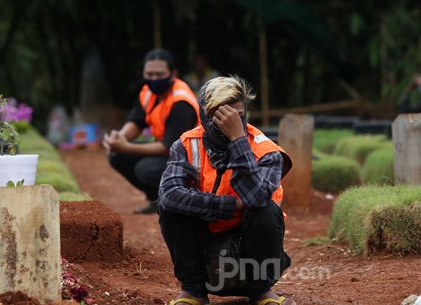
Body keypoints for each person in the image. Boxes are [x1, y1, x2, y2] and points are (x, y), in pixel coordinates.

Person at [158, 76, 296, 305]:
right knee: (170, 207)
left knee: (266, 210)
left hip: (249, 250)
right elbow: (170, 195)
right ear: (204, 115)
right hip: (204, 246)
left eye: (238, 116)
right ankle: (193, 292)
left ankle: (261, 292)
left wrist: (238, 141)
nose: (229, 122)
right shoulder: (186, 144)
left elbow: (256, 198)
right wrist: (229, 205)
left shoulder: (266, 151)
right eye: (220, 115)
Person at [103, 48, 200, 214]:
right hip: (168, 151)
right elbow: (137, 121)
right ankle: (156, 200)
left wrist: (126, 146)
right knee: (117, 156)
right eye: (149, 74)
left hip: (193, 159)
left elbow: (168, 147)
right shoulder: (149, 93)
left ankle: (183, 199)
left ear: (173, 73)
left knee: (146, 169)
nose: (153, 79)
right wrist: (119, 137)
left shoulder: (180, 102)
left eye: (159, 74)